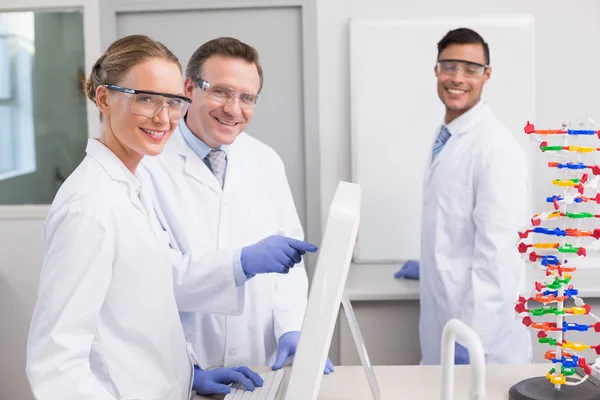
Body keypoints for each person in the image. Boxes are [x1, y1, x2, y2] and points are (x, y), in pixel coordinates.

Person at [26, 35, 262, 399]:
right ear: (104, 98)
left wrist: (186, 374)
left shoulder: (130, 185)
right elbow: (55, 364)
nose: (163, 117)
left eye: (173, 102)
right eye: (146, 98)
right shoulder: (89, 207)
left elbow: (145, 294)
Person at [140, 37, 333, 373]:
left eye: (247, 98)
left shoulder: (265, 160)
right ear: (189, 88)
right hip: (182, 367)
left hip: (259, 365)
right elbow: (147, 277)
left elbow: (290, 264)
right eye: (221, 92)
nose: (233, 109)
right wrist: (238, 264)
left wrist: (292, 326)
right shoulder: (147, 164)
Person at [395, 28, 532, 365]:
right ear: (436, 70)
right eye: (449, 66)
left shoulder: (495, 149)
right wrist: (432, 264)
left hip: (484, 343)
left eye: (470, 69)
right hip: (446, 318)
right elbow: (453, 221)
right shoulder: (448, 136)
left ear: (487, 75)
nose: (458, 77)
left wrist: (473, 336)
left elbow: (500, 257)